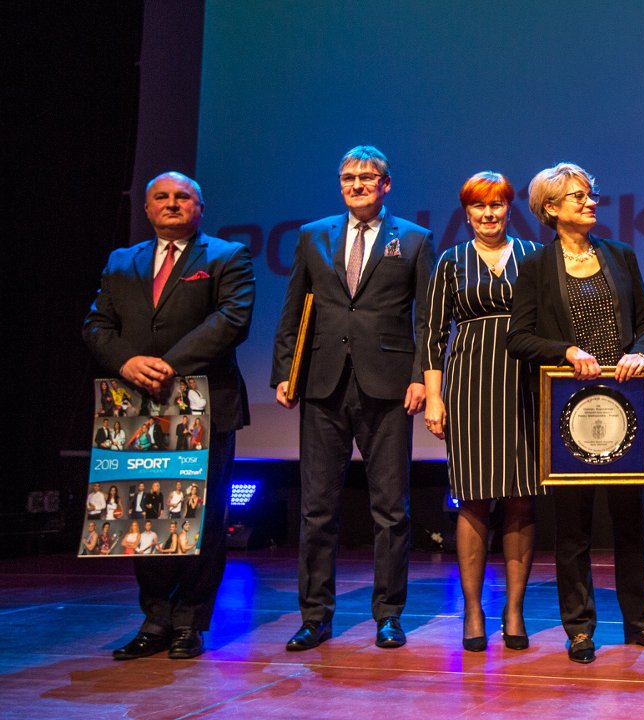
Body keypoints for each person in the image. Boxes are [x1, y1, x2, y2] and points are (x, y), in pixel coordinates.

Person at [83, 170, 253, 661]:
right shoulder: (122, 261)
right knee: (144, 517)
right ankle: (155, 618)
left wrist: (168, 364)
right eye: (162, 197)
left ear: (200, 208)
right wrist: (127, 362)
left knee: (200, 519)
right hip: (136, 404)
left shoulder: (226, 256)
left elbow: (231, 320)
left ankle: (190, 622)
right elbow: (96, 323)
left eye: (183, 197)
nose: (172, 203)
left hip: (202, 401)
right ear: (147, 207)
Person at [507, 162, 644, 664]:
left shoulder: (619, 255)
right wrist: (566, 351)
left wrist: (641, 352)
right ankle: (579, 628)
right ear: (550, 209)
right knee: (574, 527)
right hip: (567, 413)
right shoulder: (538, 266)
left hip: (625, 405)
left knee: (631, 524)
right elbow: (519, 337)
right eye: (577, 196)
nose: (589, 202)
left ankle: (638, 620)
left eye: (590, 194)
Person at [271, 146, 434, 653]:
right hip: (322, 383)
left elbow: (425, 318)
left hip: (388, 385)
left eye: (367, 177)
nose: (357, 184)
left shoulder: (413, 238)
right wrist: (284, 372)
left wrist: (421, 377)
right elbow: (294, 307)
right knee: (317, 508)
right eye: (348, 177)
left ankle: (388, 614)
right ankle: (314, 616)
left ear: (387, 184)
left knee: (391, 509)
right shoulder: (311, 235)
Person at [421, 172, 542, 652]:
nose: (489, 214)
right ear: (466, 211)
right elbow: (431, 334)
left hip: (526, 382)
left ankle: (514, 610)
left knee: (521, 498)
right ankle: (473, 610)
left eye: (497, 205)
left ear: (509, 208)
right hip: (470, 384)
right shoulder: (450, 263)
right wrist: (435, 397)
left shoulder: (533, 256)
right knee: (472, 498)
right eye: (479, 207)